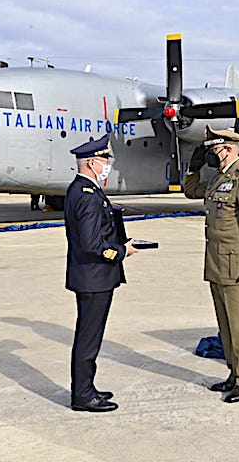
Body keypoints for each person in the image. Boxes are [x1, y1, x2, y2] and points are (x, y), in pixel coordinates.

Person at [184, 127, 239, 404]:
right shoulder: (221, 177)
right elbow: (191, 191)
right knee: (226, 325)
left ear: (227, 149)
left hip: (236, 267)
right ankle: (234, 373)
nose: (211, 155)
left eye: (214, 150)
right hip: (218, 263)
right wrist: (192, 169)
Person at [64, 134, 137, 412]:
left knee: (90, 337)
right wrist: (122, 252)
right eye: (105, 159)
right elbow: (92, 244)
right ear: (92, 162)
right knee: (88, 339)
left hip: (91, 276)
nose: (108, 164)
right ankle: (82, 395)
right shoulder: (87, 196)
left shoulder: (84, 190)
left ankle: (87, 387)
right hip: (94, 277)